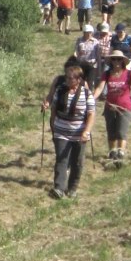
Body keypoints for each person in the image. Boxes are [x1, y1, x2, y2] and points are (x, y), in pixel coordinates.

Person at [42, 59, 94, 199]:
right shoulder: (60, 91)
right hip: (61, 131)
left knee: (77, 162)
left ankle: (72, 188)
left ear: (78, 79)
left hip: (79, 133)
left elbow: (91, 114)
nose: (67, 80)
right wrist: (53, 125)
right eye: (66, 77)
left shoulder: (87, 94)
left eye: (70, 78)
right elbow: (54, 109)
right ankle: (59, 188)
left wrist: (86, 131)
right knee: (61, 159)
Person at [96, 50, 131, 163]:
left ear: (123, 61)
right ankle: (112, 153)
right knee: (111, 131)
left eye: (119, 59)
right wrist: (91, 99)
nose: (116, 61)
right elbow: (100, 88)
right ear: (111, 61)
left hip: (125, 107)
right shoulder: (107, 74)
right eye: (114, 59)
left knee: (121, 132)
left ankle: (120, 154)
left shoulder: (129, 74)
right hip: (110, 107)